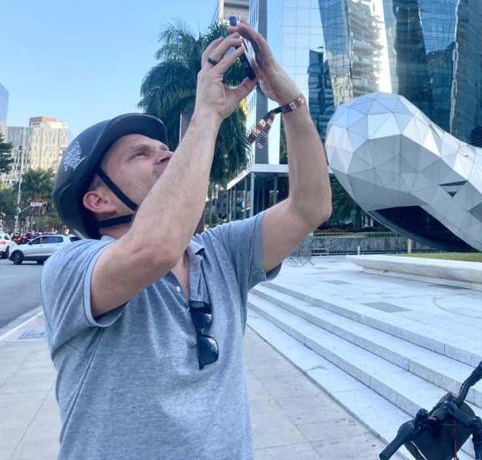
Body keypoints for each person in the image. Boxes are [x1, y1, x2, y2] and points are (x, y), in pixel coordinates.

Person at [41, 23, 331, 459]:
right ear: (97, 199)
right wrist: (208, 115)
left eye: (164, 147)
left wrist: (293, 105)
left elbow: (309, 208)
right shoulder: (71, 269)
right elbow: (153, 250)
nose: (167, 153)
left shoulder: (220, 254)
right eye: (141, 154)